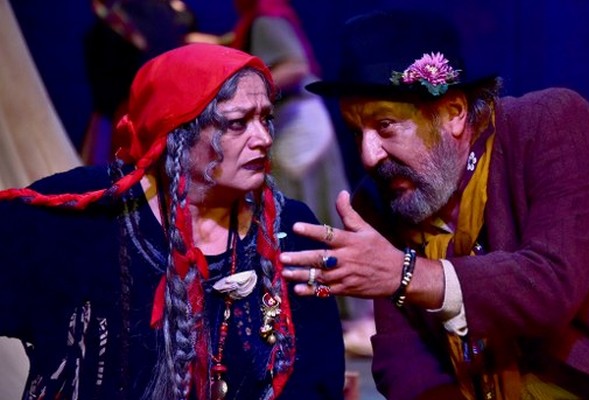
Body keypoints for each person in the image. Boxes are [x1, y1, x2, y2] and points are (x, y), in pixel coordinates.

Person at [279, 9, 589, 400]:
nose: (369, 155)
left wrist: (406, 274)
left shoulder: (549, 126)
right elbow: (402, 358)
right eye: (357, 132)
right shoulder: (379, 199)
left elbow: (551, 284)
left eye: (385, 126)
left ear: (453, 112)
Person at [0, 43, 344, 399]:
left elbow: (319, 378)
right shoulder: (86, 212)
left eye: (265, 118)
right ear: (178, 134)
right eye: (238, 123)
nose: (264, 138)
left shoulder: (292, 229)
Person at [230, 0, 349, 228]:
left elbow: (295, 67)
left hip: (296, 121)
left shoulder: (265, 18)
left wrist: (243, 96)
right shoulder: (267, 15)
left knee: (296, 196)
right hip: (298, 117)